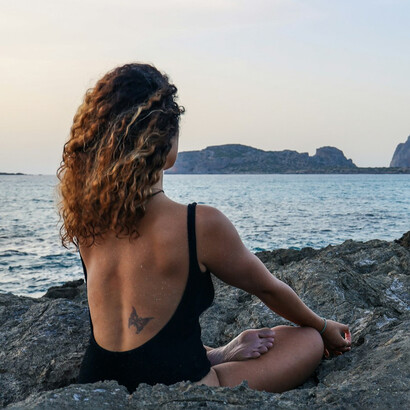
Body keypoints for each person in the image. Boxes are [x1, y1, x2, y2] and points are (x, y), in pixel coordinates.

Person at [57, 63, 351, 394]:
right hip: (178, 388)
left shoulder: (88, 222)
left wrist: (222, 352)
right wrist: (323, 327)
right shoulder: (199, 224)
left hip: (98, 384)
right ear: (165, 140)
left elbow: (140, 337)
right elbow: (268, 289)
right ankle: (216, 364)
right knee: (305, 340)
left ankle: (219, 354)